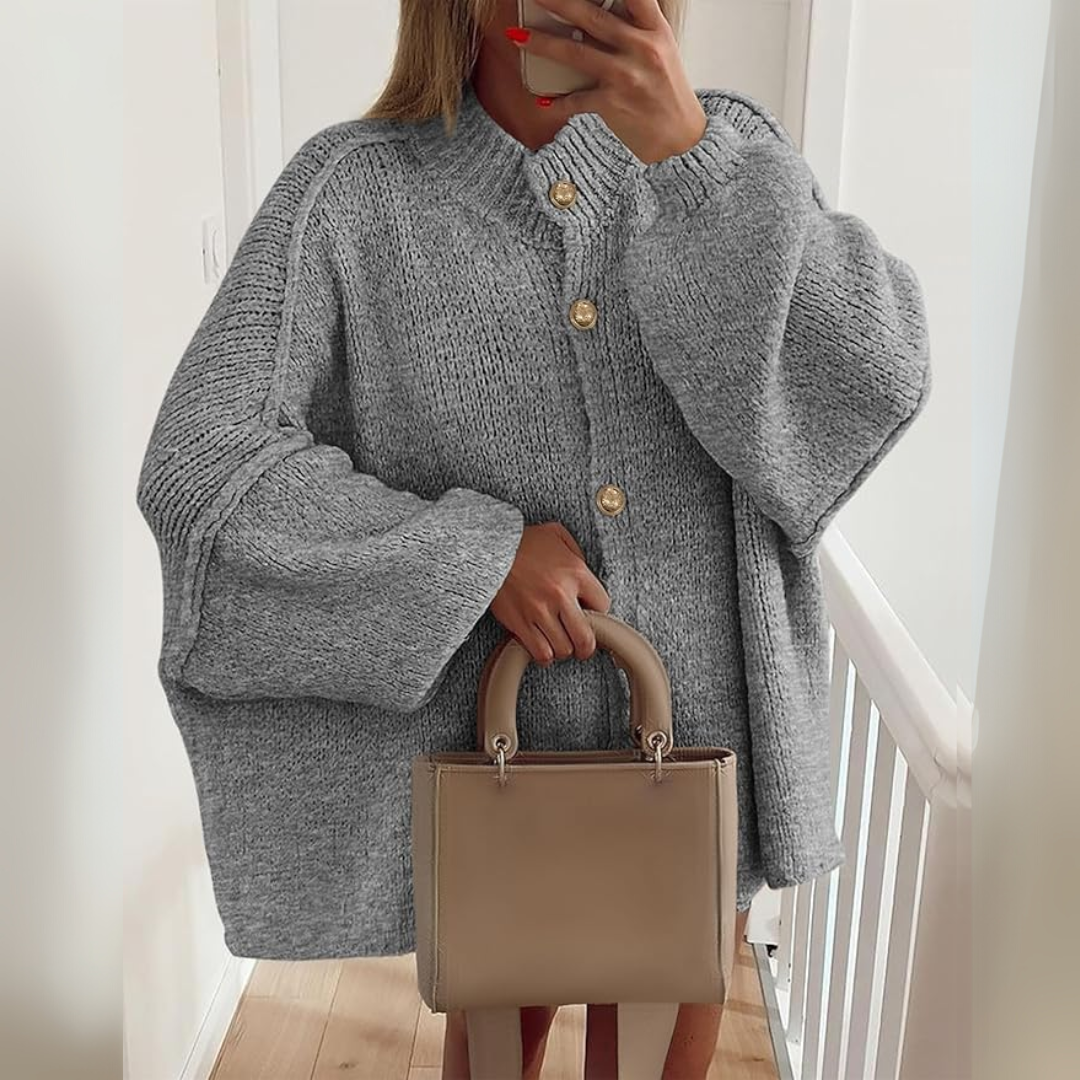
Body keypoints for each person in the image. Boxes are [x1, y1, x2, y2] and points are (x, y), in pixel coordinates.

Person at [135, 0, 931, 1076]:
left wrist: (690, 161)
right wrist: (474, 557)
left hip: (698, 763)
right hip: (497, 765)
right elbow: (204, 469)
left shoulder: (728, 153)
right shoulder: (352, 194)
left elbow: (870, 379)